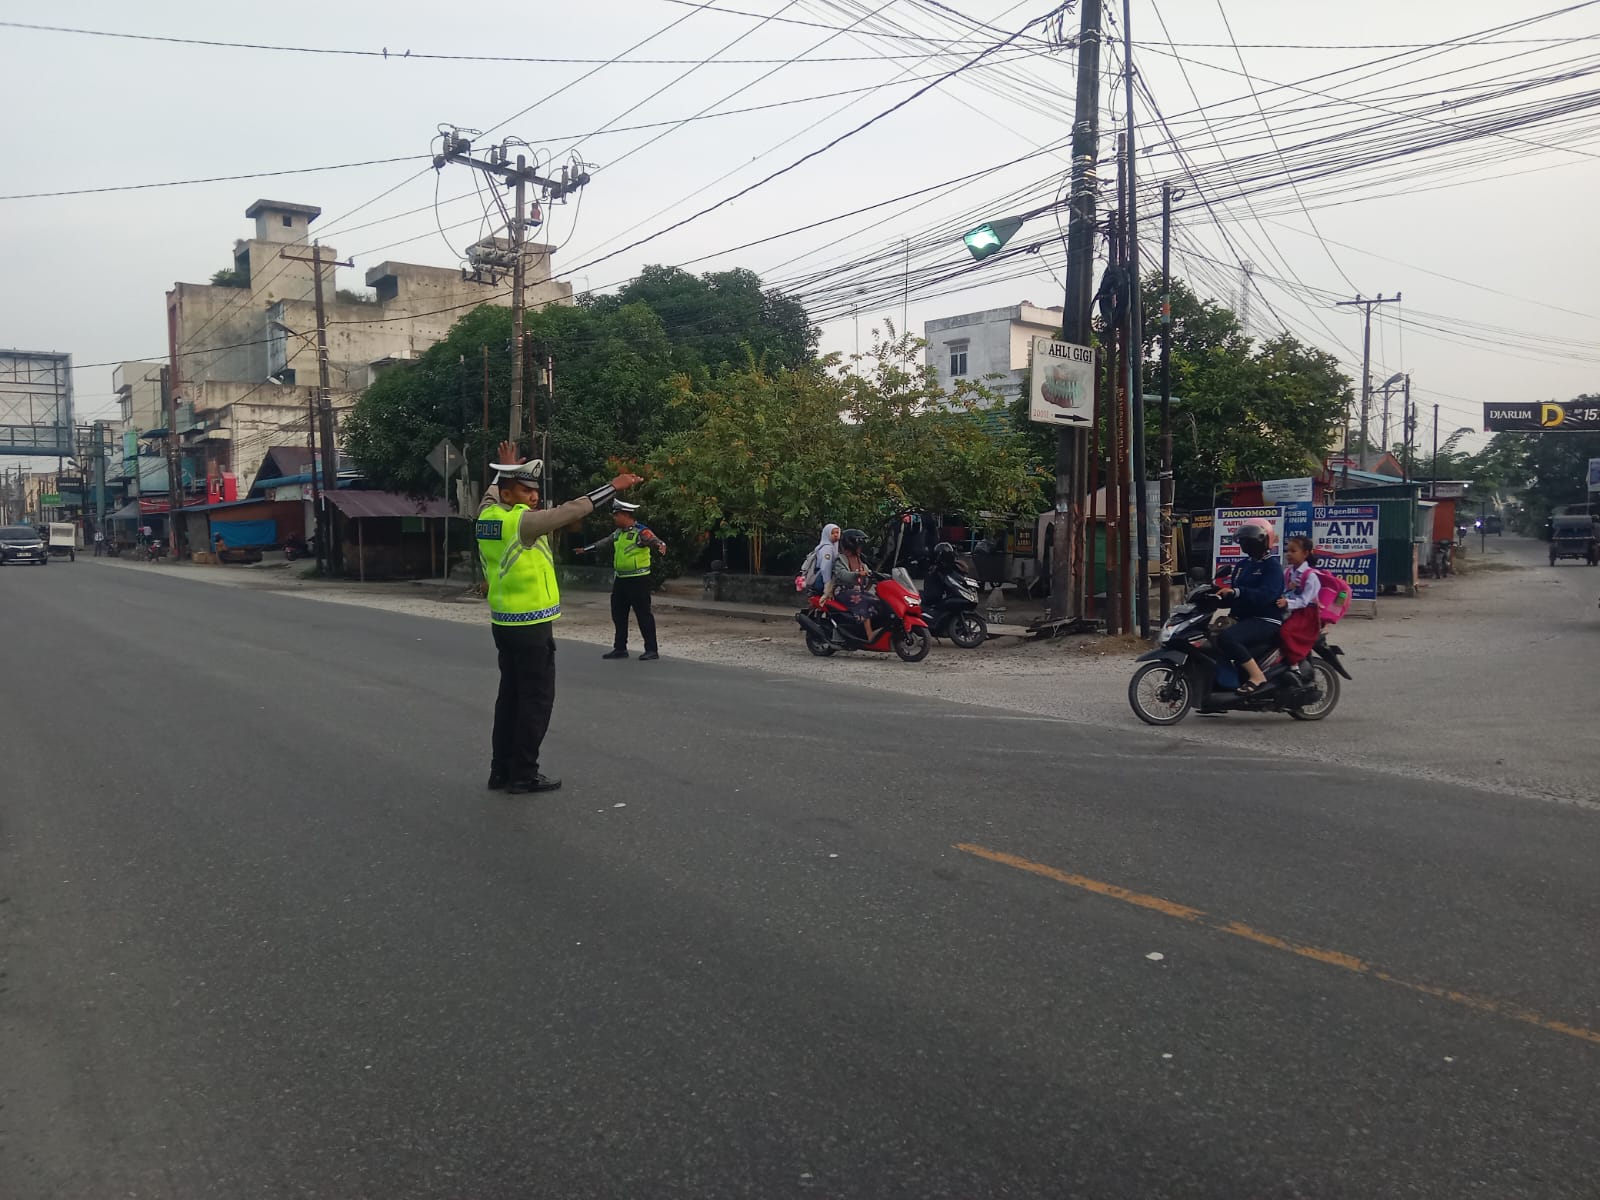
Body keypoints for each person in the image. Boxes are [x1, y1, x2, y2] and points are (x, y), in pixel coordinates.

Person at [478, 441, 642, 794]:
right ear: (508, 493)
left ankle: (500, 770)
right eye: (525, 490)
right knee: (535, 701)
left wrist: (503, 471)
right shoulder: (524, 524)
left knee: (509, 697)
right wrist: (613, 487)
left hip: (503, 623)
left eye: (535, 491)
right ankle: (524, 773)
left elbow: (491, 495)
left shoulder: (488, 516)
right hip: (530, 626)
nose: (533, 497)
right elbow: (573, 510)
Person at [576, 499, 668, 661]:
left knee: (643, 614)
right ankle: (620, 648)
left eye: (616, 515)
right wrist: (586, 549)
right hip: (621, 580)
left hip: (638, 580)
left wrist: (660, 545)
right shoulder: (618, 533)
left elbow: (654, 540)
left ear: (625, 515)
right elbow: (605, 542)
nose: (614, 518)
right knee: (618, 614)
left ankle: (651, 649)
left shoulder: (641, 532)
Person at [1216, 519, 1284, 693]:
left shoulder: (1272, 567)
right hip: (1245, 618)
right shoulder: (1242, 566)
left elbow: (1266, 595)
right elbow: (1235, 594)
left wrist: (1237, 592)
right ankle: (1224, 684)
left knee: (1228, 638)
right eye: (1244, 540)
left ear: (1263, 541)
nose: (1246, 544)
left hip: (1265, 619)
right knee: (1209, 638)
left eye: (1250, 540)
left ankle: (1257, 676)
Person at [824, 528, 888, 642]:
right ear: (851, 544)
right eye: (859, 545)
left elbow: (868, 571)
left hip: (858, 590)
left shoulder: (859, 559)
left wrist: (879, 576)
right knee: (864, 602)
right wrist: (857, 574)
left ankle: (873, 629)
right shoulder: (841, 559)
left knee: (878, 601)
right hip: (843, 591)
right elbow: (842, 575)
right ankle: (869, 636)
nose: (860, 548)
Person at [1277, 535, 1323, 666]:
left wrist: (1287, 602)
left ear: (1305, 553)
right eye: (1287, 551)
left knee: (1286, 632)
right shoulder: (1287, 572)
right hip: (1289, 610)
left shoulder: (1311, 576)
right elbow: (1284, 591)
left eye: (1293, 551)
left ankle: (1294, 664)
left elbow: (1304, 601)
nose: (1289, 554)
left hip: (1306, 614)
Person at [808, 523, 841, 595]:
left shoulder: (832, 547)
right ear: (827, 534)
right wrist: (827, 584)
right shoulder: (827, 548)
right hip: (822, 580)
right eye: (832, 533)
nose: (836, 535)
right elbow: (825, 567)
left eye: (837, 532)